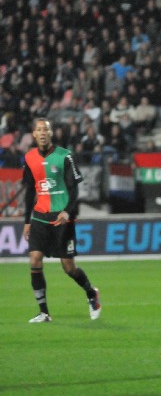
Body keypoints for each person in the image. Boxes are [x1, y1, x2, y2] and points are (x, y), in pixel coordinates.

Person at [22, 118, 101, 323]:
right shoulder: (29, 158)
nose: (42, 133)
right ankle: (44, 312)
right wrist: (26, 221)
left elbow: (74, 189)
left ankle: (91, 293)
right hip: (40, 216)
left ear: (50, 133)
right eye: (38, 130)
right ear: (34, 134)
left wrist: (67, 211)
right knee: (34, 259)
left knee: (69, 267)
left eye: (45, 130)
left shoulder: (65, 156)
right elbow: (30, 191)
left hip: (61, 217)